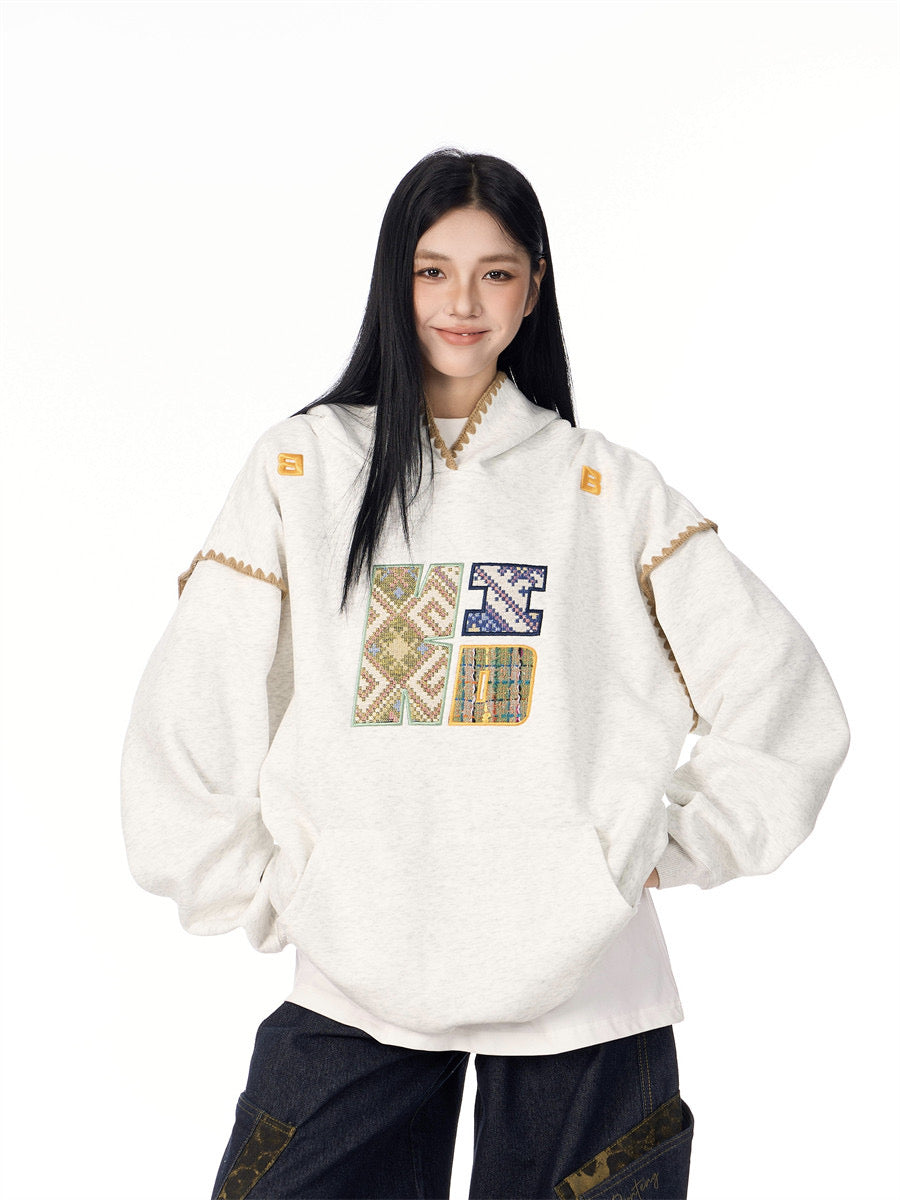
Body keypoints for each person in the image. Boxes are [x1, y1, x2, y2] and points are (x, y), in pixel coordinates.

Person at [120, 147, 850, 1200]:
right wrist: (283, 890)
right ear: (395, 279)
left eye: (495, 272)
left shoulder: (604, 488)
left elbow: (785, 702)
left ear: (533, 287)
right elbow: (190, 710)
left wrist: (648, 848)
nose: (462, 302)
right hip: (357, 972)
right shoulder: (304, 467)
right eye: (433, 270)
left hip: (589, 989)